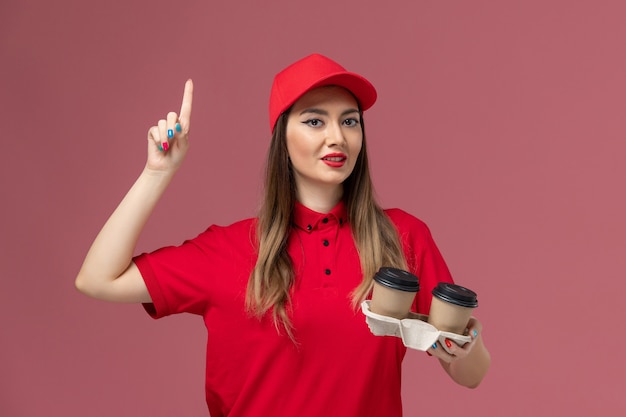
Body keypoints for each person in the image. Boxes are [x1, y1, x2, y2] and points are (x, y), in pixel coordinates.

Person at [75, 53, 490, 416]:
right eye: (314, 121)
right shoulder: (228, 249)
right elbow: (96, 278)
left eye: (350, 121)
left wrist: (466, 351)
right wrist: (157, 173)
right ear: (282, 138)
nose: (337, 137)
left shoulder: (402, 237)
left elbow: (469, 373)